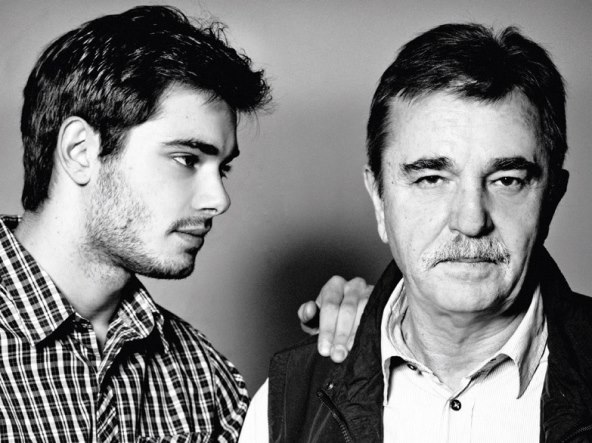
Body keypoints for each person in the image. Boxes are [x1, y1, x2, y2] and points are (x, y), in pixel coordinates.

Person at [0, 5, 370, 441]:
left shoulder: (202, 379)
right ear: (81, 151)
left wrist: (364, 362)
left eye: (222, 169)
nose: (219, 200)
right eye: (186, 159)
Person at [241, 23, 592, 442]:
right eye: (431, 179)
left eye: (507, 180)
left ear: (552, 197)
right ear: (379, 199)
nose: (471, 221)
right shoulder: (286, 407)